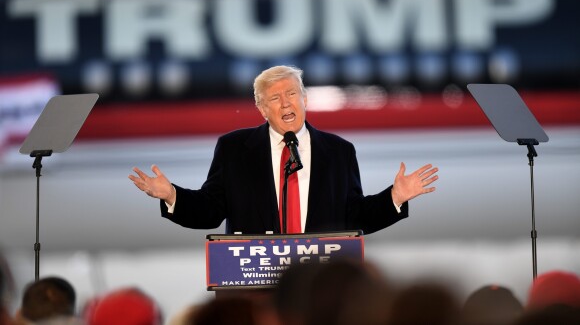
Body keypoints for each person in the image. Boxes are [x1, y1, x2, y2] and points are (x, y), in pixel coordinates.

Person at [129, 65, 438, 235]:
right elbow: (210, 210)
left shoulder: (338, 151)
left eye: (292, 93)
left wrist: (394, 197)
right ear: (262, 109)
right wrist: (172, 195)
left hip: (318, 289)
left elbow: (354, 217)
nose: (286, 102)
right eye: (275, 98)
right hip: (254, 287)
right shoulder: (235, 149)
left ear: (305, 99)